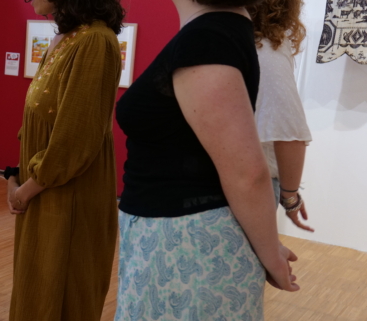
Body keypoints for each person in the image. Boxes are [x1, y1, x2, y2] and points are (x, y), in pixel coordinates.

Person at [114, 0, 301, 319]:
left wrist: (271, 255)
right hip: (184, 238)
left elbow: (247, 173)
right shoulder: (220, 29)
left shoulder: (206, 39)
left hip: (188, 247)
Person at [5, 0, 124, 319]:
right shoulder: (67, 38)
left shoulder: (96, 41)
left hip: (69, 197)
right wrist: (14, 176)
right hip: (46, 191)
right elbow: (39, 121)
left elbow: (77, 136)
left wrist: (26, 189)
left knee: (61, 296)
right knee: (38, 290)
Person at [248, 0, 314, 232]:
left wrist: (289, 196)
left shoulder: (264, 47)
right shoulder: (261, 44)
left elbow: (289, 129)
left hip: (249, 184)